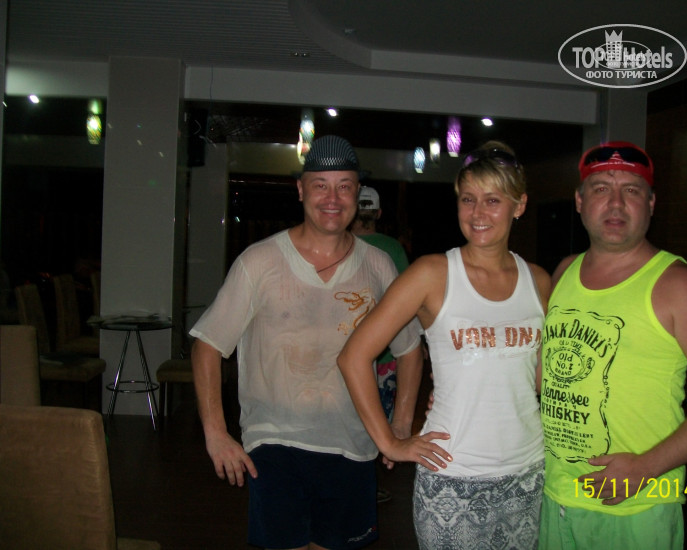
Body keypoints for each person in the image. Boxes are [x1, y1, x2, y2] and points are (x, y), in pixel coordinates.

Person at [190, 135, 423, 550]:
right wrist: (216, 433)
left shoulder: (378, 265)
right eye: (320, 185)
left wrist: (401, 424)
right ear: (300, 190)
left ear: (357, 194)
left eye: (344, 186)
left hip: (353, 443)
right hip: (275, 440)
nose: (332, 198)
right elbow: (207, 345)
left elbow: (409, 349)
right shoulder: (259, 261)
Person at [338, 141, 551, 550]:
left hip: (528, 474)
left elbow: (537, 380)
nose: (478, 213)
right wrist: (390, 441)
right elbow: (353, 356)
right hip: (453, 476)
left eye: (492, 200)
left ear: (519, 205)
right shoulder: (433, 273)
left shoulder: (539, 282)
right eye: (468, 199)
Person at [538, 141, 687, 549]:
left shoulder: (678, 285)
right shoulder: (564, 272)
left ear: (651, 203)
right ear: (579, 201)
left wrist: (646, 468)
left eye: (631, 190)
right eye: (601, 189)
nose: (616, 203)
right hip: (557, 495)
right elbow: (542, 377)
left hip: (639, 504)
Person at [351, 185, 414, 505]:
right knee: (378, 418)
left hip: (347, 353)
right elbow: (408, 299)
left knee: (352, 418)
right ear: (378, 213)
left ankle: (352, 483)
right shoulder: (392, 249)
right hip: (387, 353)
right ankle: (368, 484)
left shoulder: (339, 245)